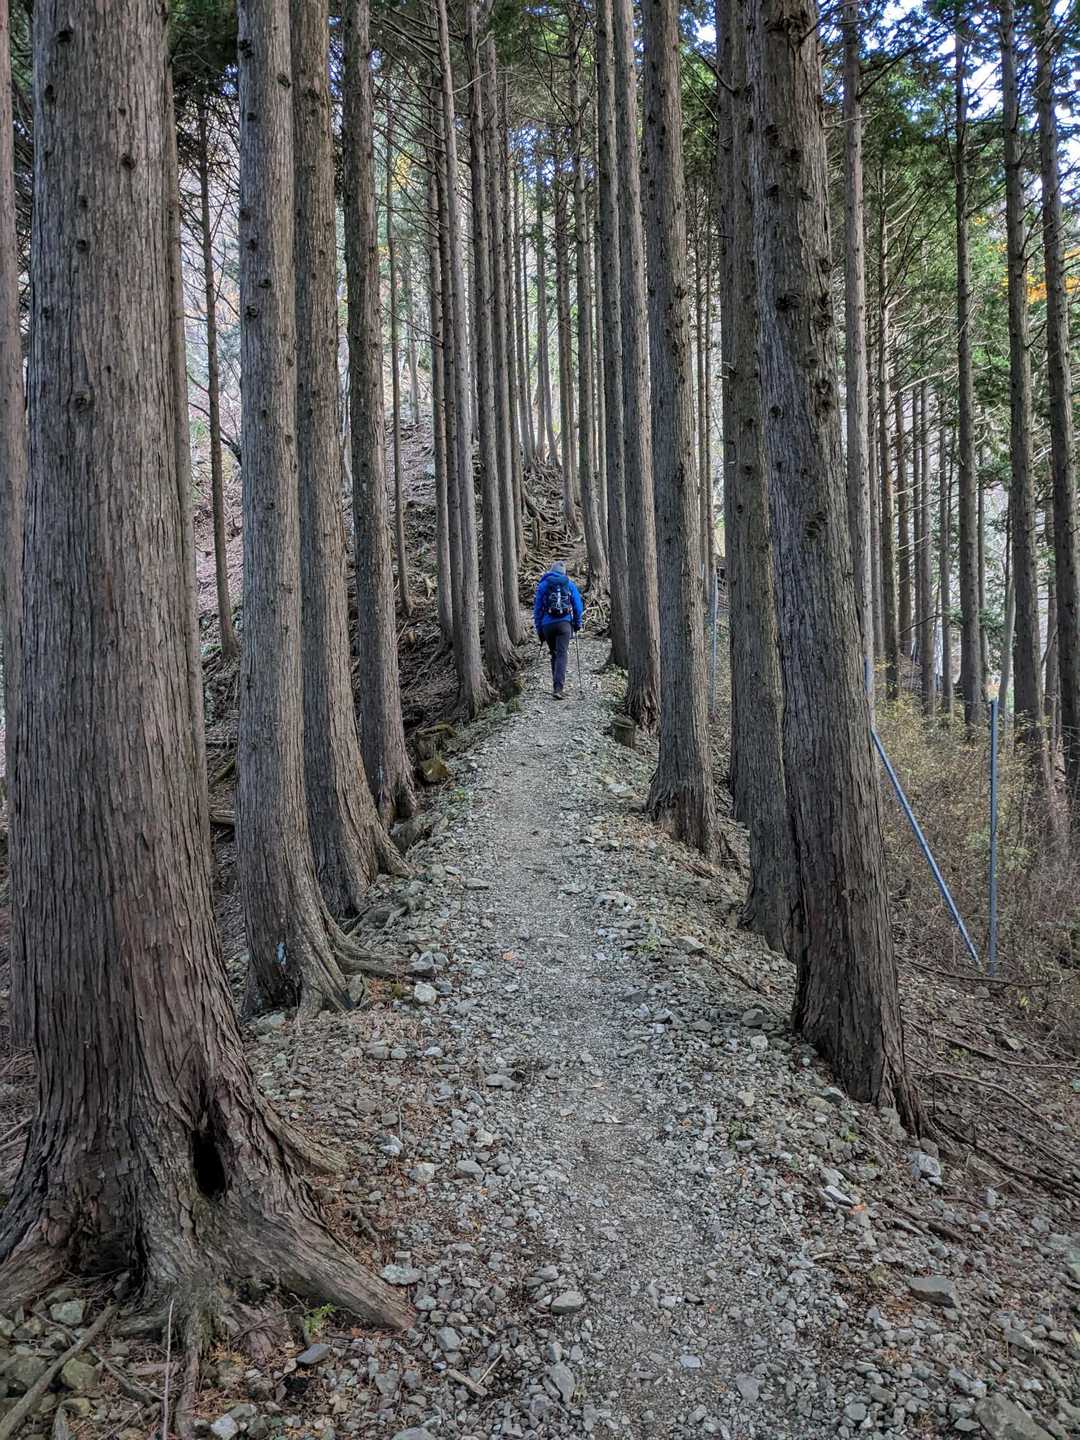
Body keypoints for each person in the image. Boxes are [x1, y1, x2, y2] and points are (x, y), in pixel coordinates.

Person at [533, 561, 584, 700]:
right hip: (564, 624)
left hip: (547, 625)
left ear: (551, 571)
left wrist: (539, 629)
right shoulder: (569, 584)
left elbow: (537, 609)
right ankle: (558, 688)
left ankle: (556, 687)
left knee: (554, 653)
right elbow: (578, 606)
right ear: (564, 573)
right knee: (562, 654)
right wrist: (578, 623)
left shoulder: (543, 585)